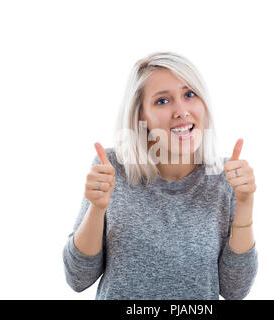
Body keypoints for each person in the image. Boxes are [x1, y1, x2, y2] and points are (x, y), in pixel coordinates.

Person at [62, 51, 258, 300]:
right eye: (162, 101)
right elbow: (77, 278)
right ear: (141, 114)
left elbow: (235, 290)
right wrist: (97, 209)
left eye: (189, 95)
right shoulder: (112, 168)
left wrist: (245, 203)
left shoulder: (226, 177)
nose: (181, 111)